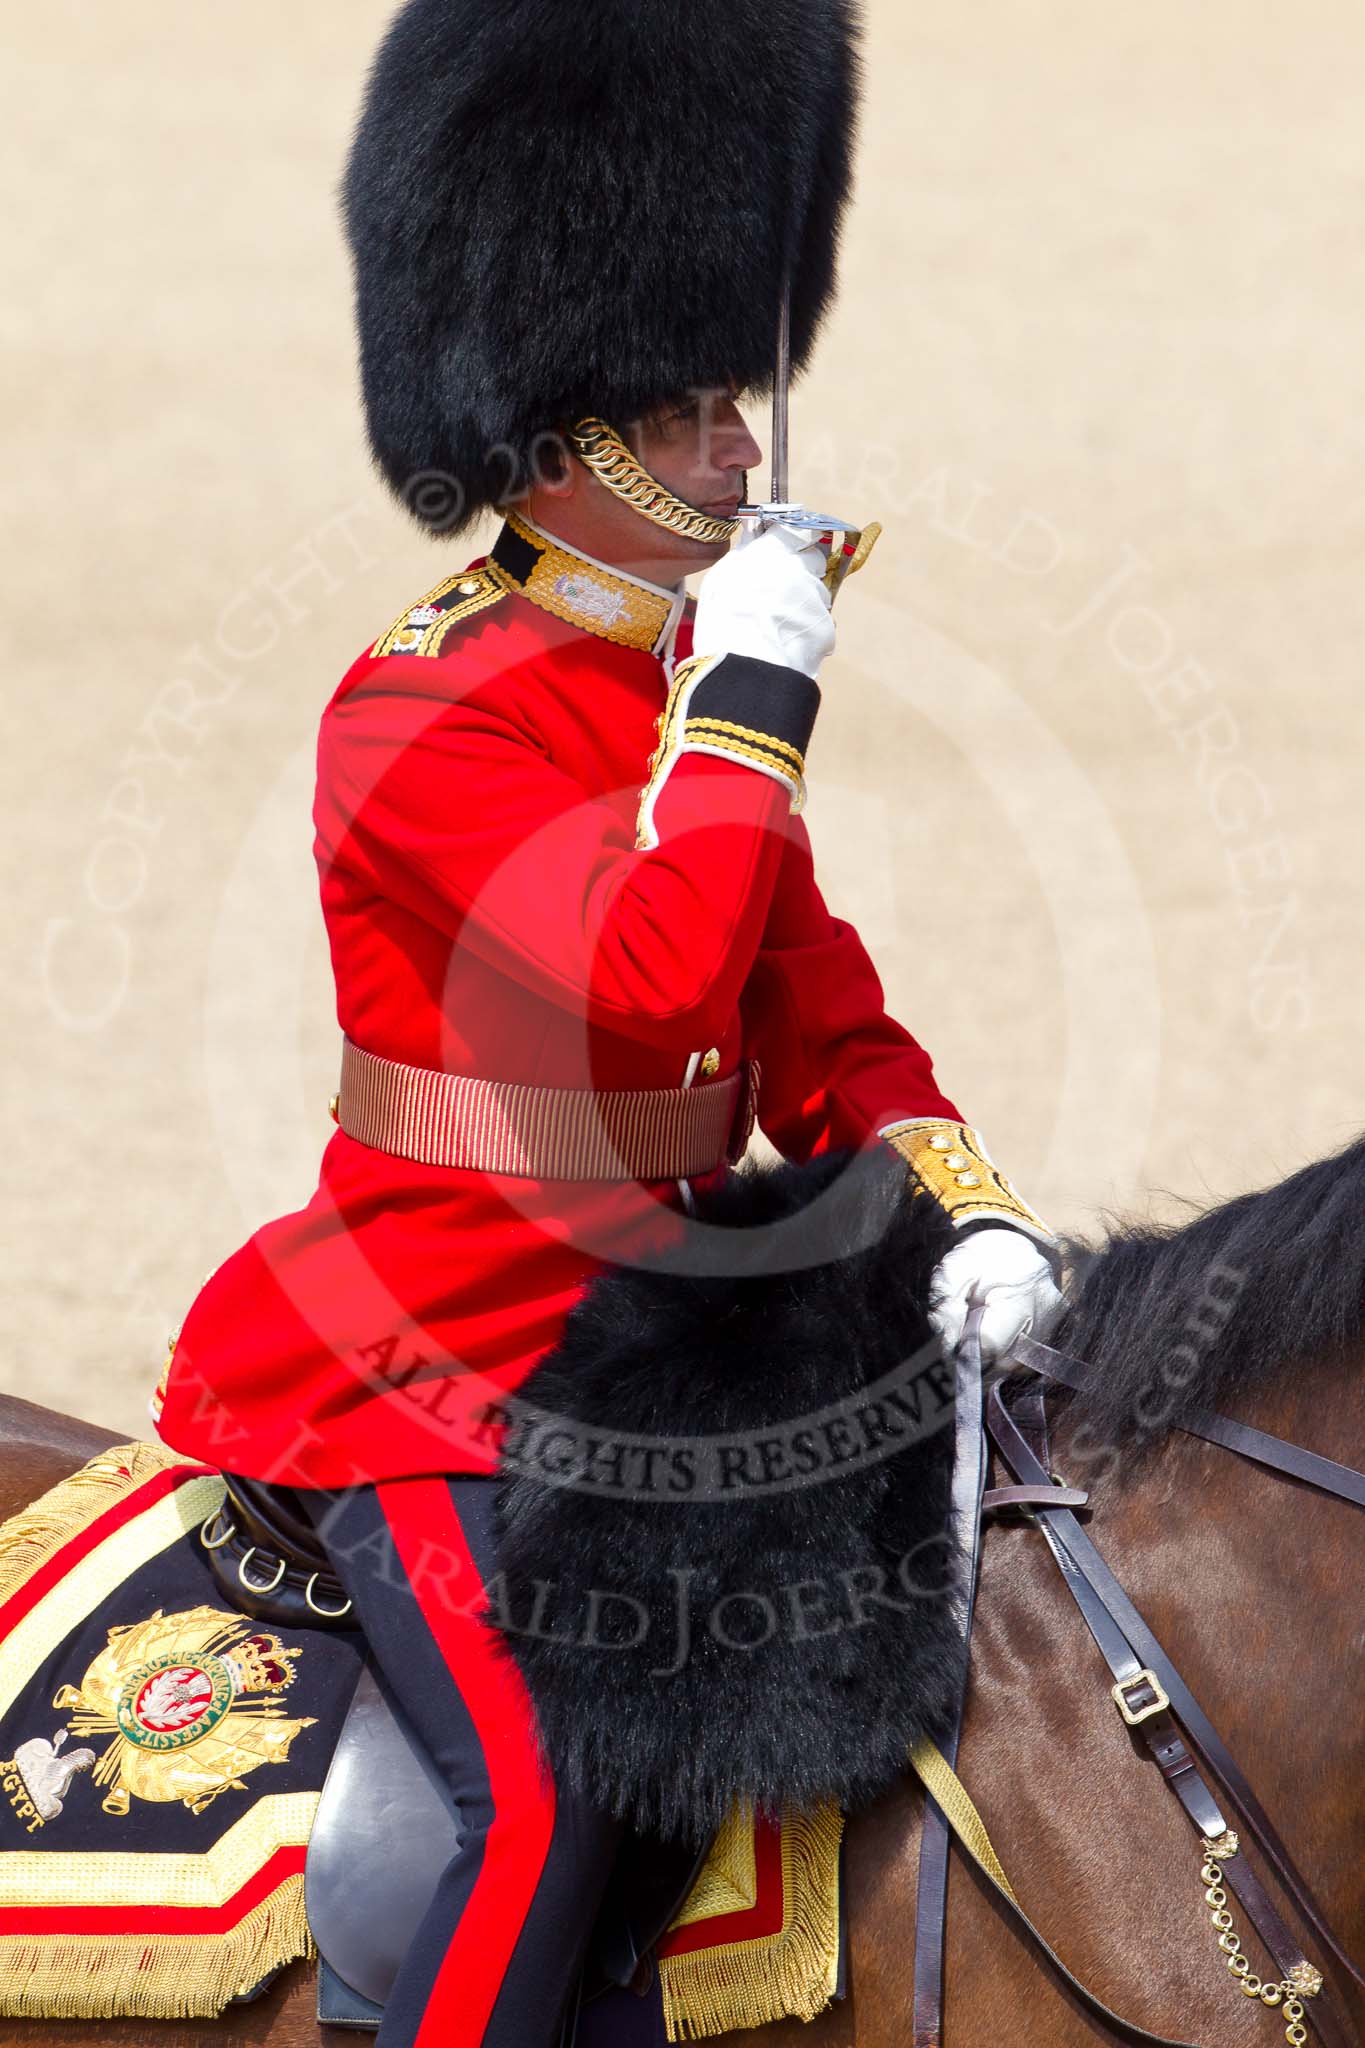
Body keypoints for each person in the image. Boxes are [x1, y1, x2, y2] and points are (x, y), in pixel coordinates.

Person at [154, 1, 1062, 2041]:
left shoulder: (656, 697)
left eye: (735, 409)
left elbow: (812, 1013)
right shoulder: (414, 711)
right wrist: (748, 706)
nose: (738, 454)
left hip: (659, 1328)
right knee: (539, 1787)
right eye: (687, 421)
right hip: (428, 1350)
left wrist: (960, 1193)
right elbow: (645, 970)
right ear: (555, 446)